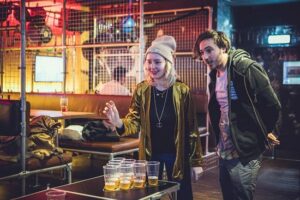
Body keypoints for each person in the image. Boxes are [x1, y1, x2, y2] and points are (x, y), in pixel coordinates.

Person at [102, 35, 202, 200]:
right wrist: (119, 122)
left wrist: (196, 162)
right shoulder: (142, 90)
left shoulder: (181, 90)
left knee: (181, 195)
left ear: (167, 64)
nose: (152, 66)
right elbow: (134, 121)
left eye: (157, 62)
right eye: (149, 61)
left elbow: (192, 129)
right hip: (150, 154)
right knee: (147, 195)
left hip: (176, 154)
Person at [193, 29, 281, 200]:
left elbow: (272, 104)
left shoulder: (245, 68)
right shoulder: (215, 74)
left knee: (241, 195)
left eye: (209, 50)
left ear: (223, 47)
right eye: (202, 52)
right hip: (225, 148)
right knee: (228, 195)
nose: (204, 56)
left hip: (245, 149)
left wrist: (267, 131)